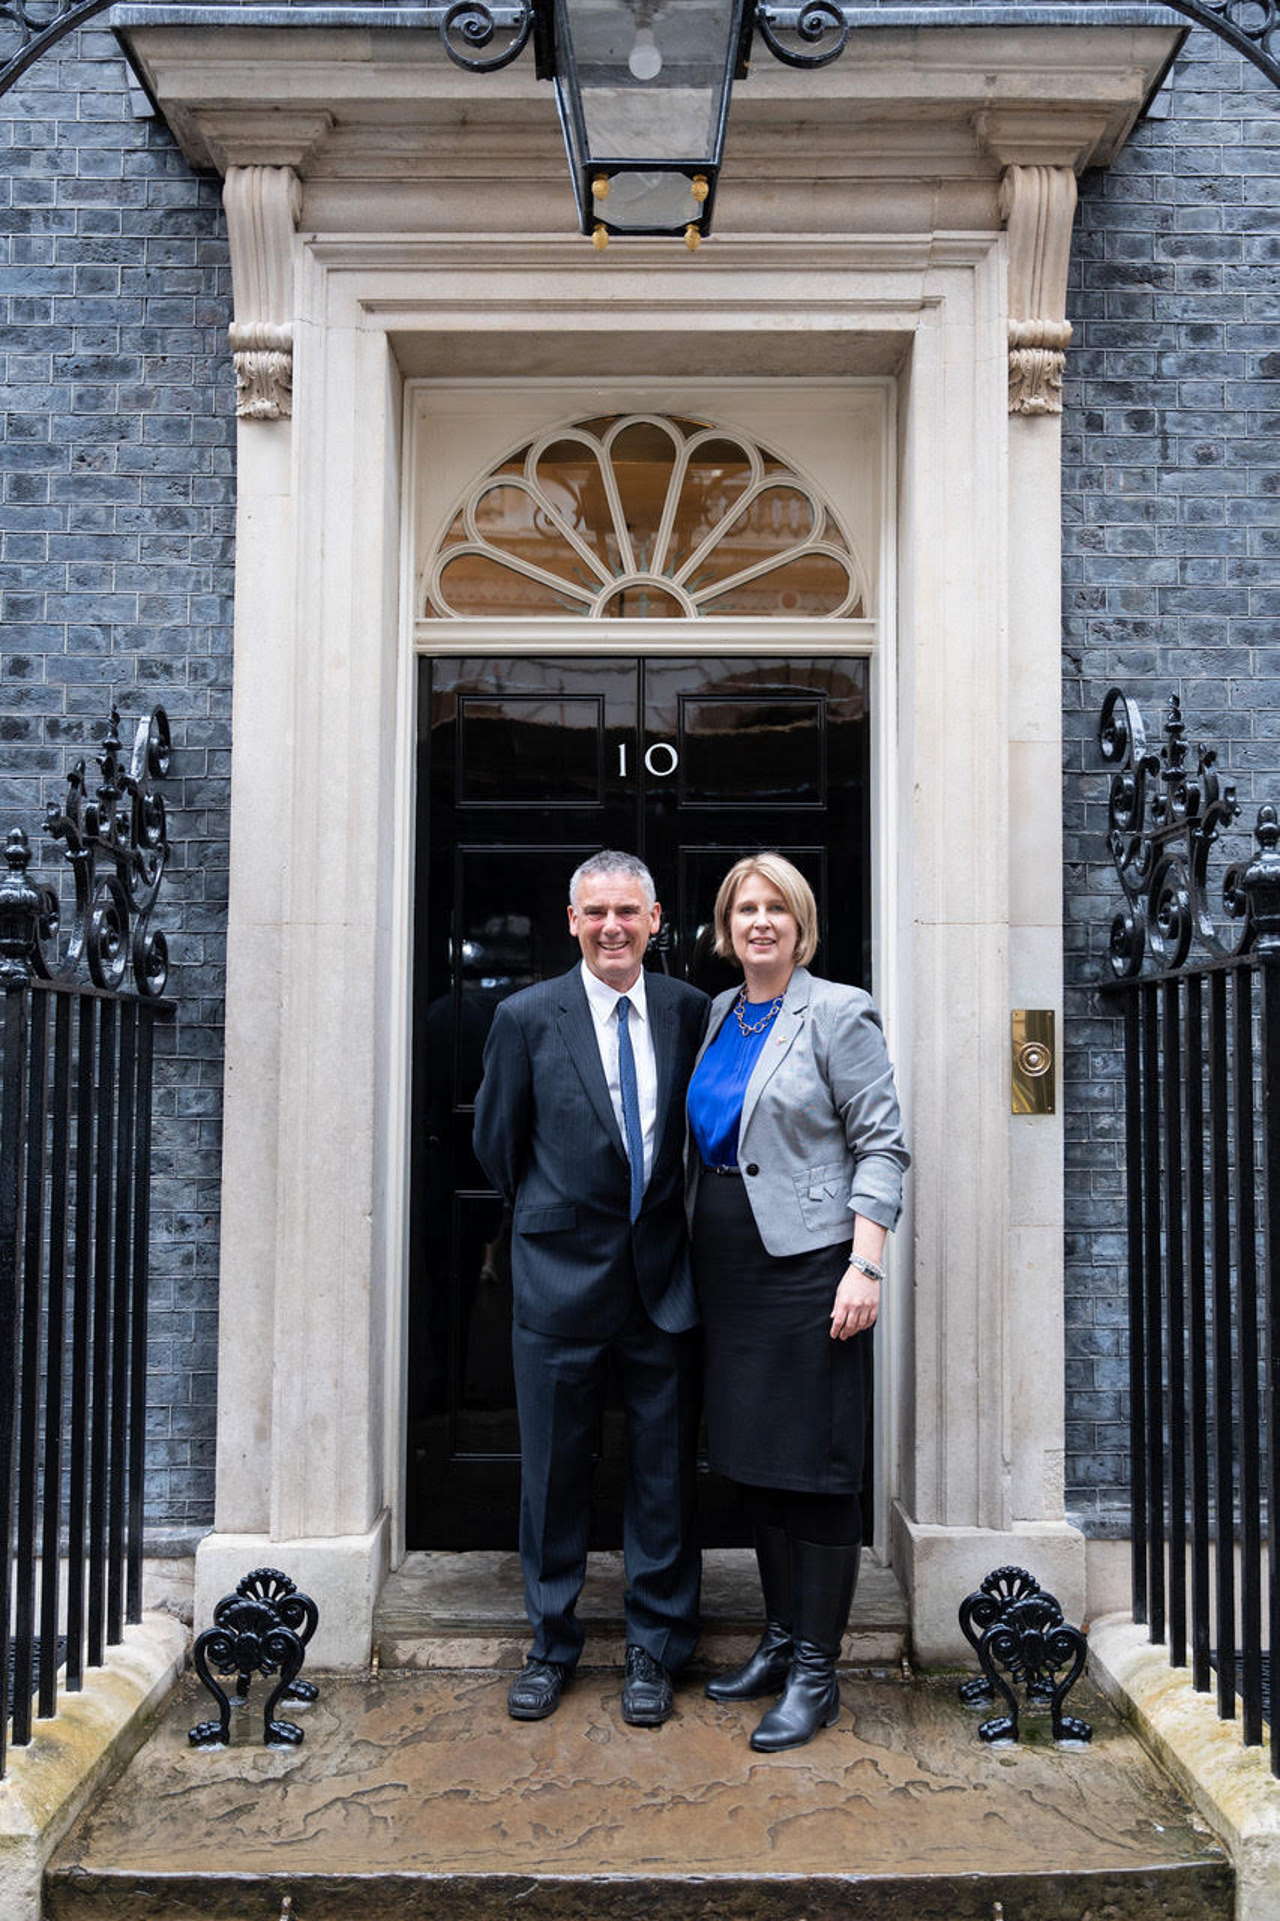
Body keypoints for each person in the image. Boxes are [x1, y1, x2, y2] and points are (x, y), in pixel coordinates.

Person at [473, 851, 708, 1728]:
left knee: (662, 1477)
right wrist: (554, 1213)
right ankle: (551, 1644)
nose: (613, 926)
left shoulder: (690, 1011)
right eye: (596, 911)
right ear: (571, 921)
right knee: (554, 1476)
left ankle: (653, 1649)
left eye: (629, 912)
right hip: (558, 1280)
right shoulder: (525, 1016)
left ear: (654, 921)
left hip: (663, 1282)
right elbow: (498, 1144)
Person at [687, 852, 909, 1753]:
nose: (761, 922)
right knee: (756, 1464)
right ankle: (779, 1642)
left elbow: (883, 1146)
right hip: (729, 1272)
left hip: (811, 1269)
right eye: (746, 908)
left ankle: (818, 1671)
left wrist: (866, 1266)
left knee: (816, 1474)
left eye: (777, 907)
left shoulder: (838, 1011)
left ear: (802, 921)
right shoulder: (717, 1012)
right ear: (726, 924)